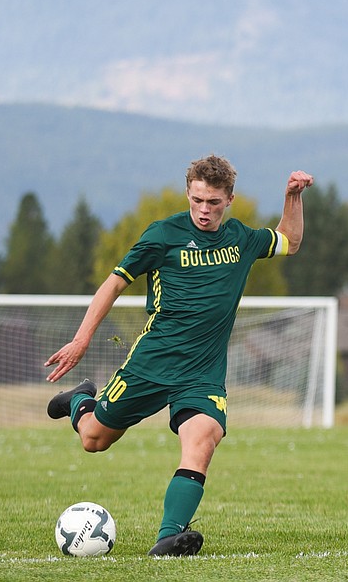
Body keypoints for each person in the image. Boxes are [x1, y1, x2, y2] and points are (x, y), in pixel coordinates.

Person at [45, 155, 313, 556]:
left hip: (203, 371)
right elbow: (113, 285)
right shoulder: (163, 235)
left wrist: (291, 197)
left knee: (204, 437)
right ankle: (80, 400)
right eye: (197, 201)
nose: (204, 211)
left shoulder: (241, 238)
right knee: (94, 440)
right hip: (154, 362)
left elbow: (289, 241)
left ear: (229, 200)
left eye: (213, 202)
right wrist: (82, 340)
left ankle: (169, 538)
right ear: (188, 193)